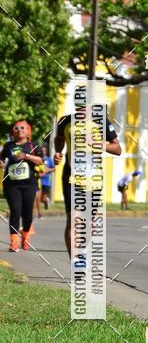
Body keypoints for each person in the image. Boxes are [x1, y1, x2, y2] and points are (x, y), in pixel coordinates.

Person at [54, 108, 121, 257]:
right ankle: (76, 262)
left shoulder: (102, 121)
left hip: (93, 178)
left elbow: (117, 149)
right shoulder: (65, 121)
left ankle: (82, 250)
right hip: (71, 176)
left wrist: (98, 144)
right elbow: (59, 139)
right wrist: (58, 152)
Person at [1, 121, 43, 251]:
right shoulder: (8, 146)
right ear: (12, 131)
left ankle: (25, 235)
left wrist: (26, 156)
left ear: (28, 131)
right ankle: (14, 242)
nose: (19, 130)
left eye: (23, 128)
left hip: (29, 184)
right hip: (11, 184)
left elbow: (40, 160)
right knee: (15, 210)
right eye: (16, 128)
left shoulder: (33, 145)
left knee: (27, 214)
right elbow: (1, 159)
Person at [38, 144, 55, 213]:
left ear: (46, 151)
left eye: (44, 151)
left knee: (42, 198)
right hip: (38, 181)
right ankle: (39, 211)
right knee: (38, 197)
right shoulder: (37, 159)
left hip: (46, 181)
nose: (43, 152)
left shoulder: (49, 159)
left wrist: (47, 170)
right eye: (41, 151)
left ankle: (46, 200)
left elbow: (54, 168)